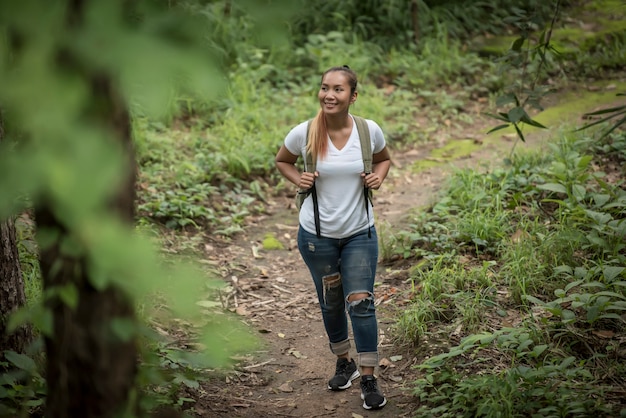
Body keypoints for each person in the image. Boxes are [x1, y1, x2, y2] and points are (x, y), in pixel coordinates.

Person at [275, 65, 391, 410]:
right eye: (325, 88)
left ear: (353, 96)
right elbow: (283, 161)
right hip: (316, 237)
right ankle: (345, 362)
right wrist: (298, 179)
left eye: (338, 89)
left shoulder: (368, 132)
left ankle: (369, 377)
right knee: (331, 301)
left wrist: (378, 177)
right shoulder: (305, 132)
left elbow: (384, 160)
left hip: (359, 233)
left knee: (361, 302)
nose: (329, 94)